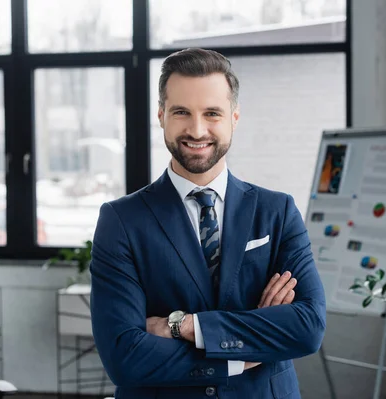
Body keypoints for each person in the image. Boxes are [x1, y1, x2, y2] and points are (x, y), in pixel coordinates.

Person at [90, 47, 326, 399]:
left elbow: (307, 327)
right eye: (181, 112)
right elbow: (124, 355)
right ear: (161, 116)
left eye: (212, 113)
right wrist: (239, 356)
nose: (197, 130)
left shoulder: (277, 212)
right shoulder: (121, 220)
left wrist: (183, 326)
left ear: (234, 117)